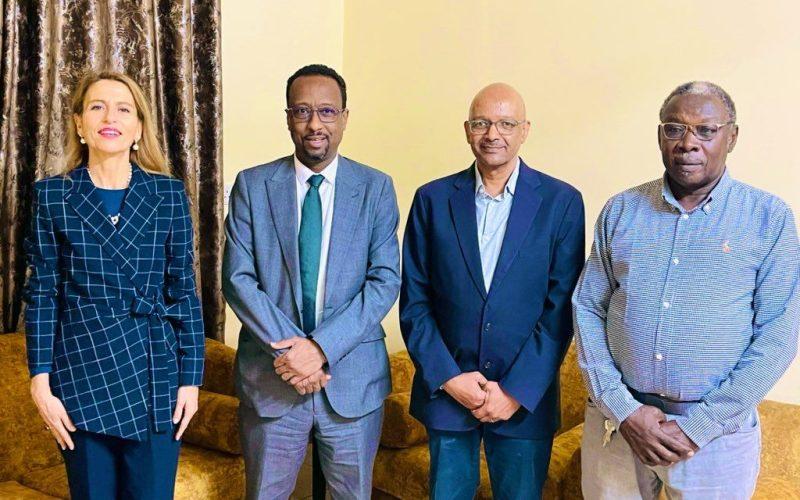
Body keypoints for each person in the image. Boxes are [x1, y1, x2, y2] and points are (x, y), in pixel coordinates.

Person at [573, 81, 800, 499]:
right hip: (619, 426)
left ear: (732, 137)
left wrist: (699, 426)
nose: (688, 143)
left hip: (715, 439)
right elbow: (588, 307)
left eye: (705, 130)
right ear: (660, 136)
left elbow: (779, 336)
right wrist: (623, 408)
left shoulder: (768, 218)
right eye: (674, 129)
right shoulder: (621, 210)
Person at [23, 70, 205, 499]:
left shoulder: (168, 194)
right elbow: (43, 294)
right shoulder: (52, 196)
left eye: (124, 109)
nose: (110, 117)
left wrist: (191, 379)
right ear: (79, 123)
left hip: (156, 376)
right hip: (81, 376)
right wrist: (40, 381)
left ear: (139, 127)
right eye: (97, 107)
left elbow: (183, 290)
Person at [222, 64, 400, 500]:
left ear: (344, 117)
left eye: (327, 111)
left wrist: (320, 349)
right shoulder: (252, 185)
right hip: (272, 380)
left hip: (352, 383)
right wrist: (293, 354)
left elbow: (384, 280)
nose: (315, 124)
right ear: (288, 118)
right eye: (302, 111)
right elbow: (238, 279)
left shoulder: (376, 188)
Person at [400, 83, 585, 499]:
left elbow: (561, 309)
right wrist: (449, 378)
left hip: (523, 403)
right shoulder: (432, 199)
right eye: (482, 123)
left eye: (506, 124)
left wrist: (515, 392)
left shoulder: (561, 202)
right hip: (448, 396)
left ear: (525, 130)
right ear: (467, 130)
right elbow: (415, 302)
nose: (493, 134)